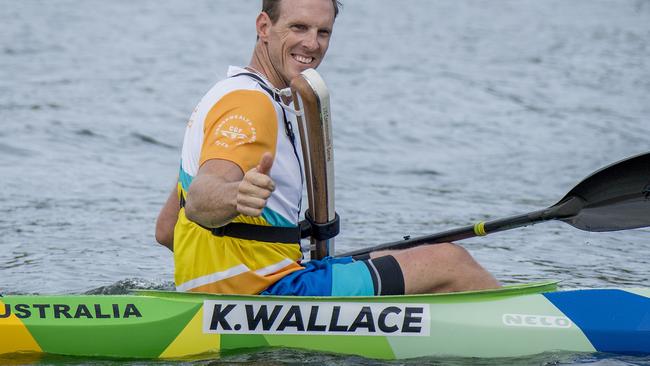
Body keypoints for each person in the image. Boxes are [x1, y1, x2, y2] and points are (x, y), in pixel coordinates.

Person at [156, 0, 500, 296]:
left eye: (323, 33)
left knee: (403, 259)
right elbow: (201, 200)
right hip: (265, 294)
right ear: (264, 25)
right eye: (299, 27)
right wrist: (234, 197)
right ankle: (540, 325)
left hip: (223, 293)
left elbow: (168, 229)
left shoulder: (224, 94)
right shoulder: (252, 105)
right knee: (448, 262)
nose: (312, 44)